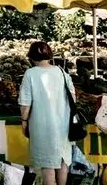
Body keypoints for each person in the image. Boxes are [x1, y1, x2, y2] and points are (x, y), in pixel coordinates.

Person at [20, 41, 73, 185]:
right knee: (62, 160)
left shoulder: (30, 74)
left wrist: (24, 122)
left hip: (41, 125)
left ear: (31, 57)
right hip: (63, 124)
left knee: (47, 164)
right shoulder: (62, 72)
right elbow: (73, 98)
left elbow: (25, 103)